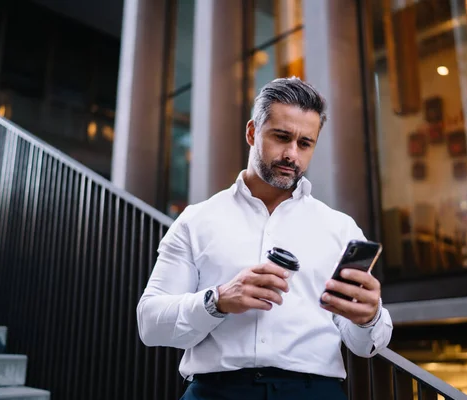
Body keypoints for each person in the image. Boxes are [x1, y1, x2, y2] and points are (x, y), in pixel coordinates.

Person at [137, 77, 393, 400]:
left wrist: (370, 317)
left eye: (305, 143)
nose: (291, 155)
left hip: (314, 392)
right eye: (281, 137)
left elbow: (363, 345)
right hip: (216, 392)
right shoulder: (196, 221)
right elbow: (148, 323)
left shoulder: (340, 230)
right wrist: (217, 300)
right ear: (252, 132)